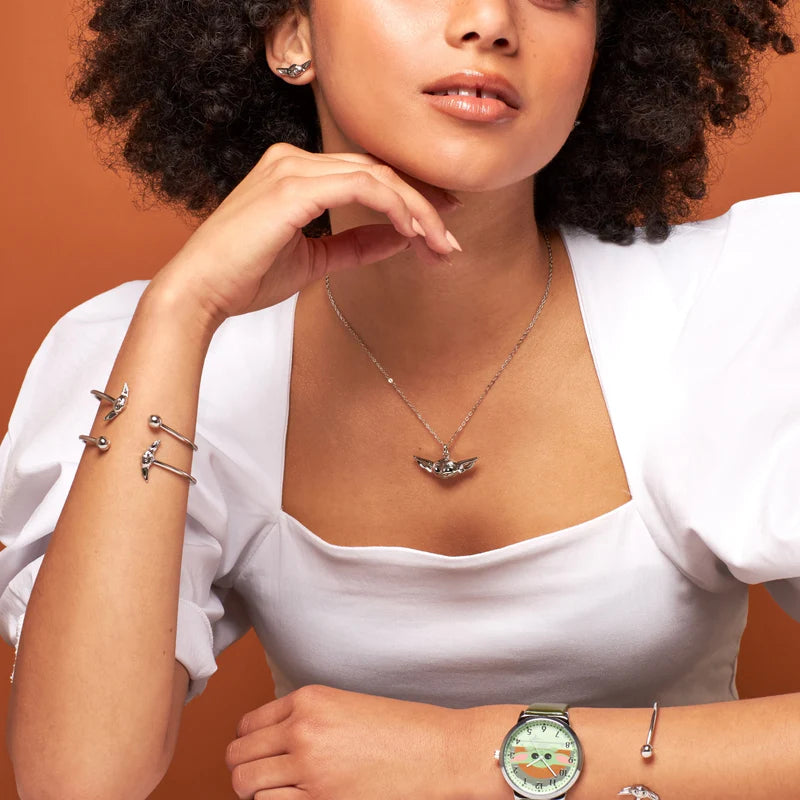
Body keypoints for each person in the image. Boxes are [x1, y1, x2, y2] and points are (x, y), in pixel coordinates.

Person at [1, 0, 798, 798]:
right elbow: (76, 780)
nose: (490, 20)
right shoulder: (177, 357)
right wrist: (182, 311)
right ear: (293, 34)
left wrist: (470, 757)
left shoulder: (735, 304)